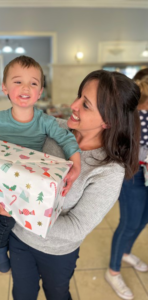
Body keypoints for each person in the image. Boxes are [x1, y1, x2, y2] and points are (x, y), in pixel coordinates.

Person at [0, 69, 141, 300]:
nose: (73, 105)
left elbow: (76, 227)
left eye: (86, 104)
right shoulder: (54, 129)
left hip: (56, 253)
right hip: (19, 237)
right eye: (78, 96)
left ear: (109, 121)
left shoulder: (108, 170)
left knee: (58, 294)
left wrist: (19, 210)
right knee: (22, 294)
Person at [0, 55, 81, 272]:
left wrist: (76, 164)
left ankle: (10, 239)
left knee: (28, 216)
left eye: (33, 83)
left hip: (29, 181)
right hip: (0, 180)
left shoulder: (45, 121)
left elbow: (66, 138)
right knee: (6, 217)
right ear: (4, 87)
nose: (26, 87)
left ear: (40, 91)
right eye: (17, 81)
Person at [105, 69, 148, 300]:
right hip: (133, 174)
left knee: (143, 219)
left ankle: (125, 253)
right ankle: (113, 271)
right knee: (129, 223)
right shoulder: (128, 116)